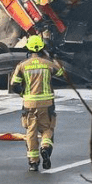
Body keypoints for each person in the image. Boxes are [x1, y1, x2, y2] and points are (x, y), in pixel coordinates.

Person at [10, 34, 65, 172]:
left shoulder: (22, 65)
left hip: (29, 104)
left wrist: (23, 94)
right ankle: (45, 148)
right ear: (42, 48)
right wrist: (53, 58)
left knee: (31, 132)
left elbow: (14, 85)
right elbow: (62, 74)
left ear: (28, 49)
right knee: (47, 129)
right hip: (46, 104)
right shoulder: (48, 64)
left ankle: (33, 163)